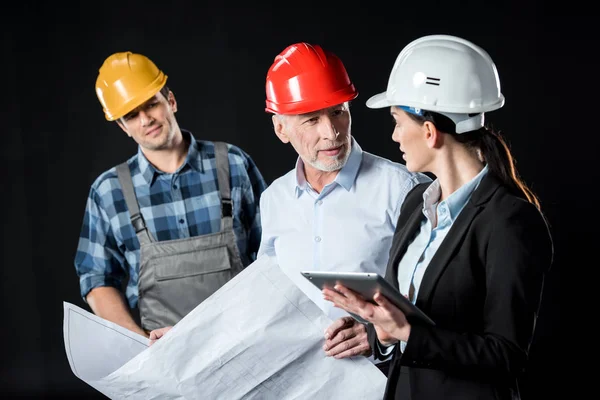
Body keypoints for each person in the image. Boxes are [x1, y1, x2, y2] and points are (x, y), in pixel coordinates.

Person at [322, 34, 553, 399]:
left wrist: (407, 333)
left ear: (429, 132)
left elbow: (506, 355)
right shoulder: (416, 202)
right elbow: (409, 327)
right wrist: (379, 332)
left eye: (397, 121)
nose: (395, 135)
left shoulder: (509, 221)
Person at [257, 42, 431, 372]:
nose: (332, 132)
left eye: (338, 112)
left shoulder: (404, 189)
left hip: (385, 381)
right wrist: (187, 338)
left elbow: (442, 294)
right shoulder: (274, 200)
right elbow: (264, 297)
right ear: (281, 129)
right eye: (311, 120)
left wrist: (380, 334)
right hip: (298, 383)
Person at [74, 51, 267, 337]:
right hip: (163, 358)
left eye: (152, 104)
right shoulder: (109, 192)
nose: (145, 120)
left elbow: (274, 251)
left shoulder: (233, 165)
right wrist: (142, 345)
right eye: (131, 115)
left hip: (246, 341)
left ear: (171, 101)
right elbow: (96, 278)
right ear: (122, 126)